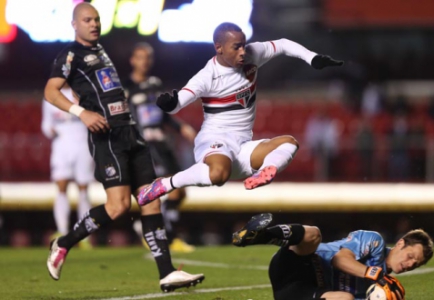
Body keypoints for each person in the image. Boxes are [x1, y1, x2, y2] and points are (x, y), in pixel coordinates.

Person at [43, 3, 204, 292]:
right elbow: (50, 91)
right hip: (108, 137)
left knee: (151, 200)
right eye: (87, 20)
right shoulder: (70, 54)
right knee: (117, 208)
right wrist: (82, 113)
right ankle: (63, 243)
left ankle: (166, 273)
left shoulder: (101, 50)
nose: (94, 24)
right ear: (74, 24)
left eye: (97, 19)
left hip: (132, 133)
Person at [137, 22, 344, 206]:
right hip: (214, 140)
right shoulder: (207, 76)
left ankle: (266, 171)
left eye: (244, 44)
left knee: (289, 142)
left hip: (242, 146)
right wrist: (169, 103)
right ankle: (165, 184)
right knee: (218, 175)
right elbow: (179, 102)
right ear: (219, 48)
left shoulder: (252, 55)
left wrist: (312, 57)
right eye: (236, 47)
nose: (243, 51)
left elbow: (282, 44)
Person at [232, 213, 434, 300]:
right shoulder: (375, 243)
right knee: (314, 235)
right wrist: (370, 272)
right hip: (297, 264)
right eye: (410, 256)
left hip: (299, 294)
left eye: (415, 264)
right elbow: (339, 259)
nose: (409, 264)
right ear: (400, 243)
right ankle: (261, 236)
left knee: (344, 298)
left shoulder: (384, 287)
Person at [122, 42, 197, 253]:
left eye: (147, 57)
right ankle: (169, 237)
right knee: (165, 191)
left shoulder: (155, 84)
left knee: (179, 192)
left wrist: (181, 126)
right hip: (144, 146)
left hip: (162, 143)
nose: (144, 61)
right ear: (132, 60)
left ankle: (148, 228)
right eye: (140, 57)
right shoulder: (125, 88)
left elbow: (163, 114)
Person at [41, 85, 94, 250]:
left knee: (83, 188)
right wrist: (51, 130)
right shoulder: (50, 95)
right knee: (61, 186)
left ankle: (84, 235)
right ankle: (62, 231)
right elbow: (46, 125)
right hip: (61, 146)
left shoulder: (82, 92)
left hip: (82, 144)